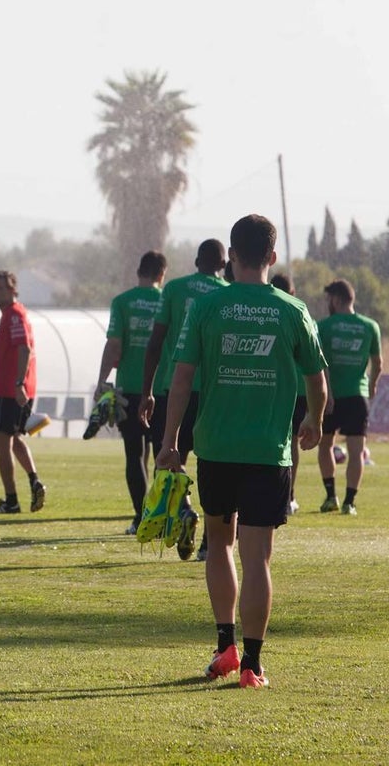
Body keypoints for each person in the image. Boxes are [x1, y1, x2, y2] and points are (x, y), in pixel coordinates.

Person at [158, 213, 326, 689]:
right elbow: (318, 379)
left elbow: (182, 379)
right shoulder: (292, 311)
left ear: (231, 258)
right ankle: (252, 664)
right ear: (272, 257)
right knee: (258, 559)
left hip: (215, 446)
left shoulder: (207, 308)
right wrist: (314, 419)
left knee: (220, 545)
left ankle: (225, 644)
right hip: (269, 452)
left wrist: (171, 442)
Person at [139, 239, 229, 560]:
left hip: (175, 386)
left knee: (170, 454)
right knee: (213, 462)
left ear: (195, 260)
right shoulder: (227, 294)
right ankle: (209, 540)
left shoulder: (174, 290)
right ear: (222, 264)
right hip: (214, 392)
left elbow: (155, 342)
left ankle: (186, 509)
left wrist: (147, 390)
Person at [93, 252, 175, 537]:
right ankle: (162, 516)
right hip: (162, 387)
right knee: (163, 455)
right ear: (162, 275)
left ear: (138, 271)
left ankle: (141, 517)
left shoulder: (122, 302)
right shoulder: (168, 300)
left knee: (134, 454)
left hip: (130, 387)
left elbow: (114, 346)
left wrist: (102, 381)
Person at [316, 278, 382, 516]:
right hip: (357, 395)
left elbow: (320, 365)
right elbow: (378, 362)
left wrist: (328, 394)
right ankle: (349, 502)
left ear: (336, 299)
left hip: (332, 397)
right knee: (357, 451)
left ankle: (330, 495)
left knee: (325, 446)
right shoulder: (370, 326)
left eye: (328, 299)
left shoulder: (323, 326)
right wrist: (372, 385)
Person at [0, 270, 46, 515]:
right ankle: (34, 481)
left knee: (2, 441)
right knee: (16, 438)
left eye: (0, 288)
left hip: (10, 390)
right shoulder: (12, 314)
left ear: (12, 290)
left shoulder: (14, 315)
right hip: (15, 388)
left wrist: (19, 382)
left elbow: (24, 349)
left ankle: (11, 501)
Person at [270, 273, 308, 513]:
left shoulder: (267, 312)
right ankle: (288, 496)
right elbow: (318, 367)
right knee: (291, 442)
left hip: (273, 387)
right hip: (299, 390)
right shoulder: (300, 313)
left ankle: (280, 495)